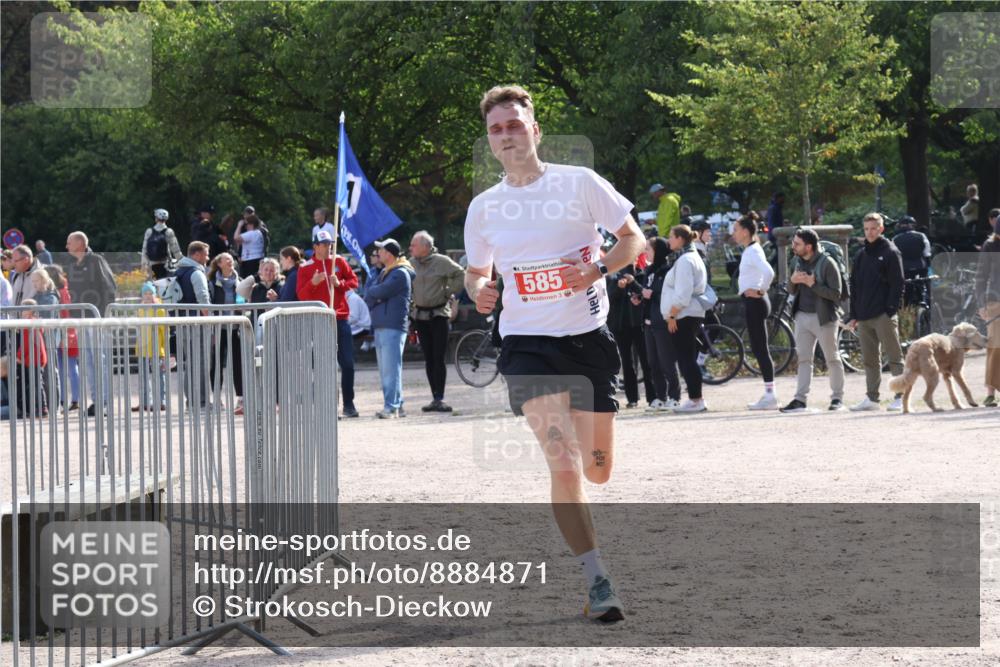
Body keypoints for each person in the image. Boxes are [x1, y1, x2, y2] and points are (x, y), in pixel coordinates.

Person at [464, 85, 644, 623]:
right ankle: (597, 579)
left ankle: (593, 498)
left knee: (597, 469)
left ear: (535, 130)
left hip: (588, 338)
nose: (506, 136)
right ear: (489, 140)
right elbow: (476, 272)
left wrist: (596, 269)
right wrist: (480, 290)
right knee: (562, 461)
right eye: (496, 129)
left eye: (514, 125)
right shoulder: (484, 207)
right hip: (526, 345)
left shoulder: (579, 183)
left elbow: (633, 239)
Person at [781, 228, 846, 413]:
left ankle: (837, 399)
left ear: (808, 247)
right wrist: (793, 281)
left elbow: (836, 294)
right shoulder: (797, 261)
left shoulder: (828, 263)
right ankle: (800, 400)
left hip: (824, 318)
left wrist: (813, 285)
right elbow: (791, 290)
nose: (793, 246)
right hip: (802, 316)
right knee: (803, 359)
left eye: (797, 244)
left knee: (832, 358)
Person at [297, 230, 361, 418]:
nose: (328, 247)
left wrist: (340, 284)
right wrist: (313, 282)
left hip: (340, 319)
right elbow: (301, 295)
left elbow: (354, 281)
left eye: (330, 244)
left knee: (347, 364)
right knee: (324, 365)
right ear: (315, 246)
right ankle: (327, 405)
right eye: (324, 244)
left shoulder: (339, 261)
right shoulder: (305, 268)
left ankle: (349, 404)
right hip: (319, 321)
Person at [847, 212, 905, 412]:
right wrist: (854, 314)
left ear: (881, 229)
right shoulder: (861, 254)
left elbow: (898, 284)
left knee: (894, 357)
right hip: (864, 316)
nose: (869, 232)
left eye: (873, 228)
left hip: (883, 315)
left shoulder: (891, 252)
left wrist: (890, 310)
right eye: (866, 229)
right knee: (870, 360)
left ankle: (901, 396)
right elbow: (854, 286)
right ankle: (872, 398)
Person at [409, 230, 465, 412]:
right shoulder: (410, 264)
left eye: (413, 245)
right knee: (428, 358)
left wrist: (448, 291)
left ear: (425, 247)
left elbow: (461, 274)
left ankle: (440, 397)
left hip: (439, 316)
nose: (410, 248)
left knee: (438, 357)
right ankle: (434, 398)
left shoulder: (442, 261)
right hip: (420, 317)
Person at [659, 225, 709, 413]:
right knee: (687, 357)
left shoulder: (686, 260)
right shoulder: (690, 257)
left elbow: (683, 293)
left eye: (671, 236)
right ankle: (695, 398)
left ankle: (696, 400)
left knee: (686, 358)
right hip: (688, 313)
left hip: (683, 314)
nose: (669, 240)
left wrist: (672, 314)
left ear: (680, 238)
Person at [65, 232, 116, 416]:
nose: (66, 246)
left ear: (80, 243)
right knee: (88, 362)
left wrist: (101, 316)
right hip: (82, 320)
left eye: (69, 242)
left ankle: (105, 402)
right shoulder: (73, 265)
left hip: (96, 319)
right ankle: (97, 401)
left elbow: (109, 288)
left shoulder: (96, 261)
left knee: (99, 359)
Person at [364, 238, 414, 419]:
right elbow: (370, 292)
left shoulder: (399, 273)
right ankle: (397, 405)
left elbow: (378, 291)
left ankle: (391, 407)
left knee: (390, 369)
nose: (378, 253)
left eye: (382, 250)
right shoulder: (387, 272)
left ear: (390, 254)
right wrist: (376, 293)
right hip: (383, 325)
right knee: (389, 369)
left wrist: (376, 293)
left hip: (391, 326)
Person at [733, 212, 778, 409]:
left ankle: (770, 395)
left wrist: (760, 290)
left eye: (736, 230)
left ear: (745, 231)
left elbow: (769, 272)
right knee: (759, 348)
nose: (733, 234)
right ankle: (769, 394)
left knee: (761, 349)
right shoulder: (750, 249)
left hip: (756, 302)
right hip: (754, 302)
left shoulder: (753, 251)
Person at [639, 236, 680, 410]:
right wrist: (640, 298)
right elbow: (647, 292)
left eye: (648, 248)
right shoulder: (648, 271)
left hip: (662, 321)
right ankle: (660, 397)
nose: (645, 252)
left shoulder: (667, 271)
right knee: (653, 363)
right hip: (648, 322)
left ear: (658, 251)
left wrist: (652, 295)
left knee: (667, 361)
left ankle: (674, 396)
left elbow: (667, 295)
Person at [607, 262, 653, 408]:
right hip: (621, 327)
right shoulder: (613, 277)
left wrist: (634, 284)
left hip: (640, 325)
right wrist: (619, 288)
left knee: (647, 361)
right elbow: (609, 299)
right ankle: (632, 398)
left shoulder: (643, 274)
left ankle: (653, 397)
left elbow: (648, 295)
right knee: (627, 364)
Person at [174, 241, 212, 407]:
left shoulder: (179, 271)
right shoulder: (196, 273)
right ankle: (200, 400)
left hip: (183, 322)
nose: (207, 258)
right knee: (201, 361)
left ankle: (192, 399)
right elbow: (203, 298)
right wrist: (210, 320)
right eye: (205, 254)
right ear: (196, 255)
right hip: (197, 323)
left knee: (190, 361)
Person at [206, 252, 245, 413]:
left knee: (238, 363)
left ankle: (241, 398)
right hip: (218, 328)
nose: (230, 261)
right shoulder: (211, 283)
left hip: (236, 328)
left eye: (231, 259)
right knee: (216, 364)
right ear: (219, 264)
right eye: (226, 259)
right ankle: (217, 397)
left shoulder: (240, 281)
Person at [45, 264, 79, 411]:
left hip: (66, 331)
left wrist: (65, 333)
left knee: (69, 367)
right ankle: (66, 399)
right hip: (64, 331)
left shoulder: (61, 292)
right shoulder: (62, 290)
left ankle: (72, 399)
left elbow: (65, 313)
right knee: (63, 367)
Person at [975, 208, 1000, 407]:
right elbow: (981, 277)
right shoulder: (990, 246)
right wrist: (981, 303)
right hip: (995, 301)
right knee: (995, 347)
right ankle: (990, 391)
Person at [133, 282, 168, 412]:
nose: (148, 296)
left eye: (150, 293)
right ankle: (145, 401)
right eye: (145, 293)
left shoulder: (159, 308)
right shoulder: (141, 307)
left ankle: (161, 401)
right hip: (143, 347)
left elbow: (164, 329)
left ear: (154, 294)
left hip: (156, 347)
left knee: (158, 375)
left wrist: (164, 347)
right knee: (143, 376)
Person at [14, 300, 48, 418]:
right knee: (37, 383)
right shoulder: (34, 322)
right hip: (37, 358)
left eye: (23, 309)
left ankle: (42, 408)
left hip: (34, 359)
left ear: (30, 311)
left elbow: (26, 343)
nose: (21, 312)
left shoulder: (28, 324)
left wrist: (18, 356)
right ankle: (39, 408)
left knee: (36, 384)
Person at [893, 215, 933, 307]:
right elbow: (927, 253)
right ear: (913, 225)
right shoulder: (921, 236)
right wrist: (929, 268)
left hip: (904, 269)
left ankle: (906, 308)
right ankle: (928, 305)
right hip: (920, 267)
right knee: (926, 287)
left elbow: (894, 257)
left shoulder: (896, 239)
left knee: (905, 292)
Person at [141, 208, 183, 279]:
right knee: (163, 283)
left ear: (156, 219)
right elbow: (176, 250)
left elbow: (144, 250)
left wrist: (143, 266)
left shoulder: (149, 231)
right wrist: (183, 262)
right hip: (164, 265)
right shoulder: (169, 232)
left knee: (152, 284)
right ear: (166, 219)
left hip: (151, 265)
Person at [233, 213, 268, 278]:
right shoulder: (258, 232)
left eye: (246, 224)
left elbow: (236, 238)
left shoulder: (252, 233)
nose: (245, 226)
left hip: (250, 262)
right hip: (257, 260)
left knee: (248, 280)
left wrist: (239, 225)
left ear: (251, 224)